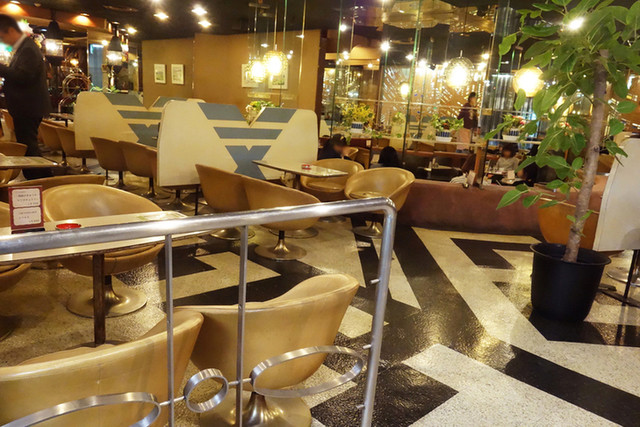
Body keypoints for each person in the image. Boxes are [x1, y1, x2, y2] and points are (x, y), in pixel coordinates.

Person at [0, 14, 52, 179]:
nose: (3, 41)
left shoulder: (28, 48)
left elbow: (23, 76)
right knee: (28, 146)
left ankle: (41, 181)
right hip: (26, 106)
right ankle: (41, 180)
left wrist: (1, 68)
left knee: (29, 147)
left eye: (2, 37)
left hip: (28, 106)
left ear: (10, 31)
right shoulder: (25, 47)